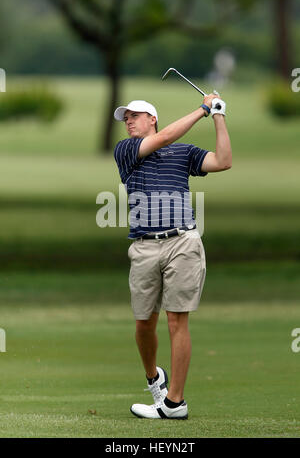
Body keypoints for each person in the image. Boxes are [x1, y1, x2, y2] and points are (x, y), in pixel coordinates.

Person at [113, 93, 232, 420]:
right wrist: (203, 110)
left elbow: (223, 161)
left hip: (182, 242)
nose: (129, 121)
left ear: (152, 118)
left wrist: (219, 116)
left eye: (135, 116)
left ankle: (175, 403)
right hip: (144, 246)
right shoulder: (125, 151)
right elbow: (165, 137)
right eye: (126, 118)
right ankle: (154, 377)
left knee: (177, 319)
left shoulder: (183, 152)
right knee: (143, 323)